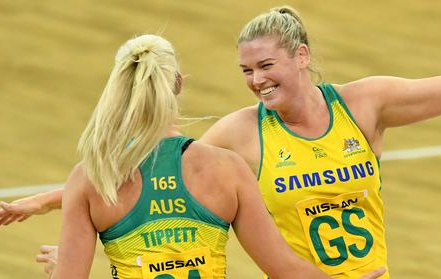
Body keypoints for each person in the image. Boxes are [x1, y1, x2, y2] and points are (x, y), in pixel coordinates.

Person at [0, 6, 441, 278]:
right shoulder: (238, 136)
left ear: (302, 57)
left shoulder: (364, 104)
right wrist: (48, 203)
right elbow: (151, 174)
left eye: (266, 66)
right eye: (246, 72)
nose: (257, 80)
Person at [39, 33, 342, 279]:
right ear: (179, 84)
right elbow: (285, 269)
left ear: (121, 89)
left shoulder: (92, 177)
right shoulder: (227, 169)